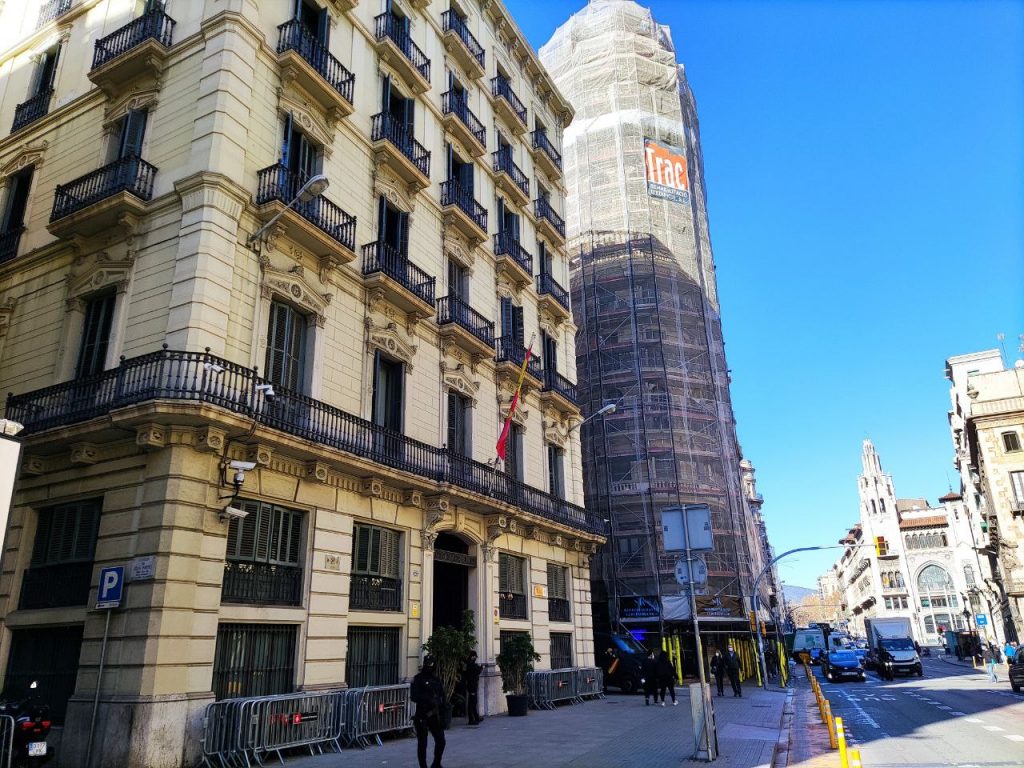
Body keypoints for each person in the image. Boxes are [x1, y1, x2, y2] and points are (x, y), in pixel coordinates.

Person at [411, 655, 446, 768]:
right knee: (423, 743)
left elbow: (442, 694)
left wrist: (441, 705)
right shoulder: (418, 679)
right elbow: (414, 696)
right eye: (428, 664)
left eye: (432, 664)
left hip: (435, 715)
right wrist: (428, 699)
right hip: (422, 715)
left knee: (441, 741)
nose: (430, 666)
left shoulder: (436, 679)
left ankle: (436, 763)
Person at [462, 650, 483, 725]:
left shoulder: (469, 664)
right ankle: (471, 719)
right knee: (472, 703)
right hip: (472, 685)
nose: (476, 658)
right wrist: (480, 668)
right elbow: (477, 671)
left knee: (474, 702)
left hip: (472, 685)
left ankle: (476, 717)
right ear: (472, 657)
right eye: (475, 657)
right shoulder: (471, 664)